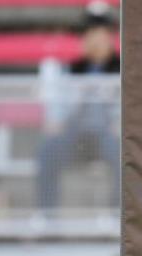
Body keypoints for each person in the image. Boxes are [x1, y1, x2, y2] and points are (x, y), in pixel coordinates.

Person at [36, 12, 120, 209]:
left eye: (101, 35)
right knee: (48, 150)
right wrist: (56, 121)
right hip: (77, 134)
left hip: (109, 135)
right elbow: (61, 107)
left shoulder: (122, 68)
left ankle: (117, 217)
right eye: (91, 35)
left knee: (124, 155)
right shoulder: (72, 69)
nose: (96, 41)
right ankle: (48, 219)